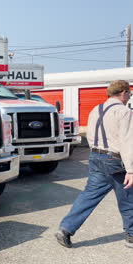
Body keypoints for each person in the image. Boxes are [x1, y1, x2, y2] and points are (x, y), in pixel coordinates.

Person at [56, 80, 133, 248]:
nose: (129, 96)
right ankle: (131, 236)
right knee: (128, 196)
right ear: (123, 92)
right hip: (115, 160)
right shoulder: (124, 112)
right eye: (129, 93)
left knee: (89, 195)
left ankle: (66, 229)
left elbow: (90, 135)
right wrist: (131, 170)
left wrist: (97, 153)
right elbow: (128, 141)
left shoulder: (96, 110)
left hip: (96, 156)